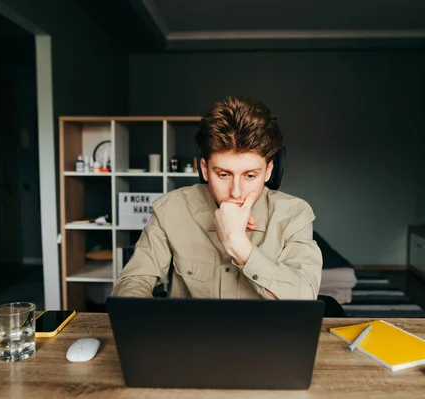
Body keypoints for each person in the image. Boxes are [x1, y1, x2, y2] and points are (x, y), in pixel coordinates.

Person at [112, 96, 322, 300]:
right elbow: (134, 280)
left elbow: (305, 296)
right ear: (204, 169)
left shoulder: (294, 214)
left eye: (250, 175)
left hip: (266, 335)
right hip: (189, 334)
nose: (236, 192)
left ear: (268, 171)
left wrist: (239, 246)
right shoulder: (171, 209)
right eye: (224, 174)